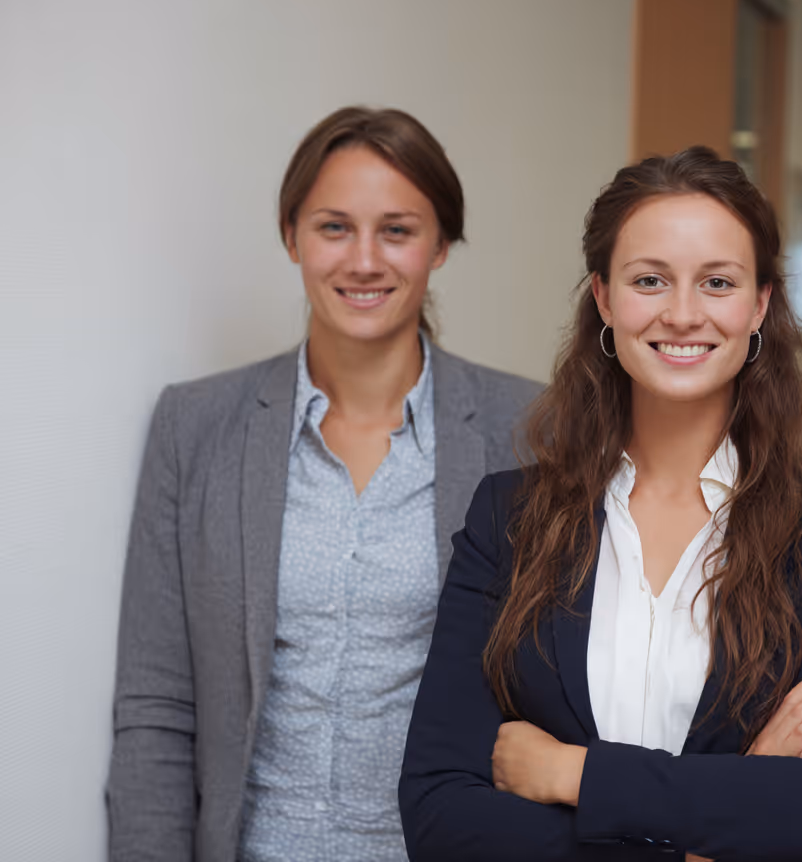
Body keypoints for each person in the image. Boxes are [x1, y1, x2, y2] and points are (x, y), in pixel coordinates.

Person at [399, 146, 802, 861]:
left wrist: (574, 773)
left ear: (760, 305)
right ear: (603, 297)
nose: (683, 314)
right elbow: (440, 816)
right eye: (650, 280)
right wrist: (728, 808)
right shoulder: (508, 518)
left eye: (717, 282)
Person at [107, 106, 539, 862]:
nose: (364, 261)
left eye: (397, 230)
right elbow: (156, 705)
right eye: (334, 227)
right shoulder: (194, 426)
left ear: (440, 246)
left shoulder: (531, 430)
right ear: (291, 237)